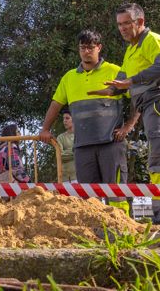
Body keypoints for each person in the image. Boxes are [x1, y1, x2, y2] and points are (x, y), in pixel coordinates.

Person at [92, 3, 160, 223]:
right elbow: (123, 77)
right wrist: (111, 90)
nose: (122, 28)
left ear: (140, 22)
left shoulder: (153, 40)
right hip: (151, 107)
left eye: (126, 23)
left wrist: (131, 81)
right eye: (119, 25)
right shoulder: (132, 49)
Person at [37, 29, 131, 214]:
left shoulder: (115, 71)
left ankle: (123, 234)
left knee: (117, 196)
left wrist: (128, 126)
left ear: (99, 48)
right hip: (83, 147)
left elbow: (137, 98)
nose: (86, 51)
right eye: (83, 48)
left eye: (90, 47)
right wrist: (45, 129)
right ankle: (94, 237)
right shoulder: (69, 78)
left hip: (111, 145)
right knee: (88, 199)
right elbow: (55, 105)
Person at [56, 111, 77, 182]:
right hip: (66, 179)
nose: (64, 120)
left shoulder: (82, 135)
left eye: (67, 118)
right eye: (63, 118)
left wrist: (68, 151)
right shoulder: (60, 137)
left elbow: (87, 154)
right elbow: (60, 156)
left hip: (81, 176)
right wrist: (77, 151)